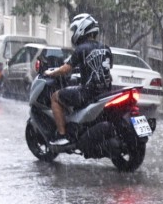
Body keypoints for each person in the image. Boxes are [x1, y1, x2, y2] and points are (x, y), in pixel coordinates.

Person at [44, 13, 113, 146]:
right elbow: (106, 69)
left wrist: (51, 73)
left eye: (75, 29)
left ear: (82, 29)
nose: (74, 33)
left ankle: (62, 134)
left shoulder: (81, 49)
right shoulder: (106, 48)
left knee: (55, 97)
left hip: (87, 93)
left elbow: (65, 69)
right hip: (105, 92)